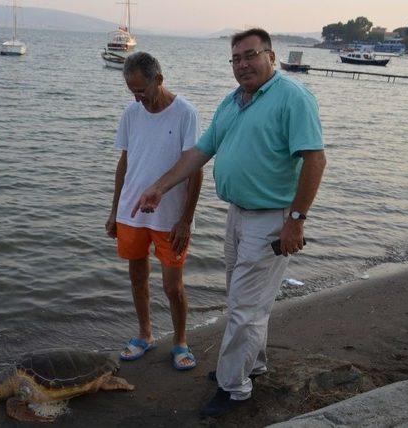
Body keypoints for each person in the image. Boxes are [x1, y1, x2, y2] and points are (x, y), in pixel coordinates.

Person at [131, 29, 326, 416]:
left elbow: (314, 160)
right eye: (235, 59)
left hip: (272, 219)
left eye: (250, 55)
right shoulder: (234, 101)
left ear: (271, 56)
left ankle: (233, 386)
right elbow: (201, 152)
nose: (242, 65)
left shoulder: (293, 98)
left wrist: (296, 220)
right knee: (246, 301)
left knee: (244, 308)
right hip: (237, 215)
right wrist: (160, 186)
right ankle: (251, 364)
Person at [106, 51, 203, 371]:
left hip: (170, 217)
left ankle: (180, 341)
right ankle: (144, 334)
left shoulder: (186, 113)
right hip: (131, 213)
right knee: (137, 278)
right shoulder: (131, 113)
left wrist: (186, 220)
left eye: (142, 91)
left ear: (158, 79)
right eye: (131, 92)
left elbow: (195, 169)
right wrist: (114, 210)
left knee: (172, 287)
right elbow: (124, 163)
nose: (138, 98)